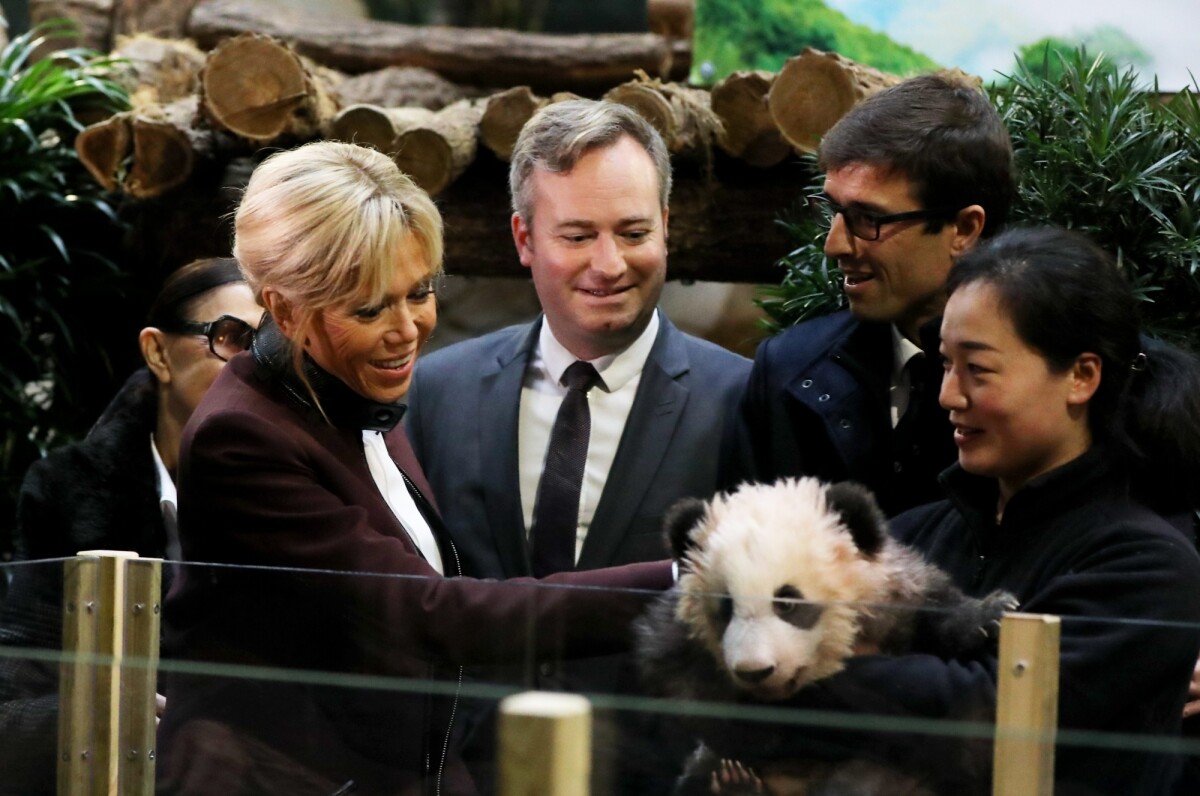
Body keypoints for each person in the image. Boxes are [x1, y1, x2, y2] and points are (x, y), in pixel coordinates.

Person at [154, 140, 675, 796]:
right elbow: (431, 614)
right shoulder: (243, 435)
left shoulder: (351, 386)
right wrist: (683, 580)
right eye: (370, 308)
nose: (408, 329)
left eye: (420, 293)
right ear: (283, 308)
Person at [403, 98, 750, 792]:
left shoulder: (741, 399)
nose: (609, 262)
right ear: (524, 239)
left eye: (632, 231)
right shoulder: (437, 391)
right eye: (577, 235)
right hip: (466, 774)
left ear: (667, 229)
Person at [881, 226, 1200, 794]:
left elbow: (990, 711)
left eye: (977, 370)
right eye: (945, 365)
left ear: (1081, 376)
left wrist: (836, 673)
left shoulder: (1148, 567)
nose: (948, 396)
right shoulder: (910, 535)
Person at [0, 257, 261, 795]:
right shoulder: (67, 491)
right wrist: (108, 716)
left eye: (272, 345)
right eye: (231, 337)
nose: (254, 364)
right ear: (158, 353)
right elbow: (16, 696)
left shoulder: (302, 492)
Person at [721, 71, 1015, 516]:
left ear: (963, 228)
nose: (834, 244)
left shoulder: (1045, 387)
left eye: (868, 218)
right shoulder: (785, 371)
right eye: (834, 211)